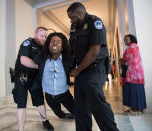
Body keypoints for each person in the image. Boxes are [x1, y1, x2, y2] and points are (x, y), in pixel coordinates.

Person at [67, 2, 119, 131]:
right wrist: (69, 66)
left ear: (80, 13)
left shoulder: (95, 23)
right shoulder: (74, 27)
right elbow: (72, 47)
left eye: (72, 17)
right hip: (82, 68)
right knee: (80, 104)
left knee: (93, 93)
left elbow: (94, 51)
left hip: (96, 67)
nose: (71, 21)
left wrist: (77, 70)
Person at [12, 27, 53, 131]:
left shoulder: (44, 49)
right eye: (42, 35)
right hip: (22, 77)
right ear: (36, 35)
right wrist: (40, 66)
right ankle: (21, 129)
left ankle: (45, 121)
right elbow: (24, 60)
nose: (44, 38)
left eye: (45, 36)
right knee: (22, 102)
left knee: (39, 100)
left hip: (35, 78)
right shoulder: (28, 43)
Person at [34, 32, 75, 119]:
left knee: (77, 112)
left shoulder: (67, 60)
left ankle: (73, 114)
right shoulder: (41, 58)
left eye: (58, 41)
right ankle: (63, 115)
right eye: (52, 41)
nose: (55, 43)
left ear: (62, 46)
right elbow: (33, 64)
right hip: (49, 96)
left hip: (64, 93)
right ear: (48, 45)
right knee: (59, 114)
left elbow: (73, 69)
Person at [120, 34, 146, 114]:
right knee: (131, 89)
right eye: (124, 40)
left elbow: (130, 57)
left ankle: (137, 109)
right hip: (130, 72)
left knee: (135, 89)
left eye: (126, 39)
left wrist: (122, 59)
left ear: (131, 39)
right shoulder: (129, 47)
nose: (125, 41)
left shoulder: (133, 46)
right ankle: (133, 107)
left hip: (135, 73)